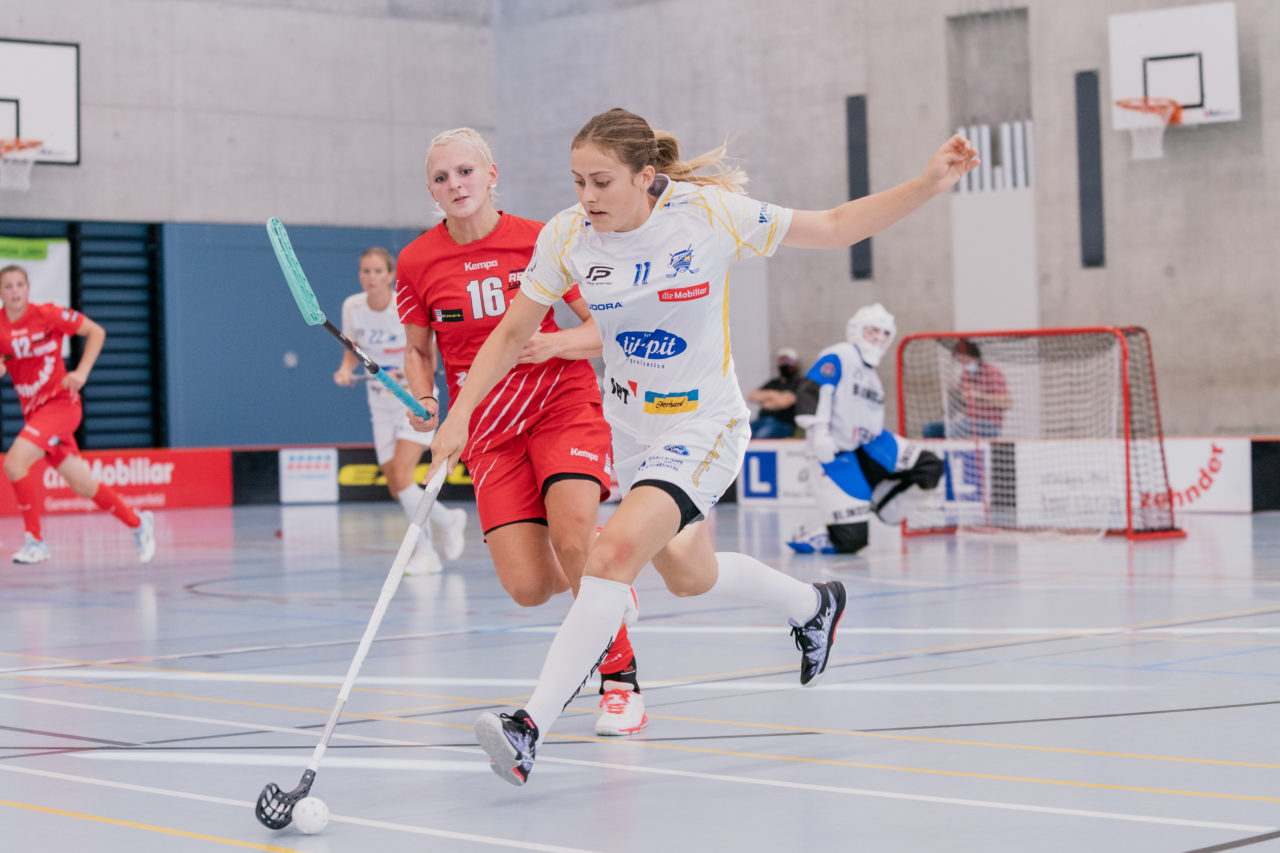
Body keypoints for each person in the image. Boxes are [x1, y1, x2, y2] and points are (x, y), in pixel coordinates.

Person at [424, 107, 979, 786]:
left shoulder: (709, 215)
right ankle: (814, 606)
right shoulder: (569, 236)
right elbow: (511, 334)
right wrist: (459, 416)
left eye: (601, 181)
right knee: (689, 575)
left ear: (644, 176)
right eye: (578, 181)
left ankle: (529, 723)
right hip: (633, 431)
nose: (587, 196)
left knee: (612, 554)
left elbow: (833, 226)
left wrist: (926, 183)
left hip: (704, 424)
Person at [396, 127, 647, 736]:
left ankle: (620, 683)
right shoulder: (416, 261)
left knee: (571, 536)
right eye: (440, 177)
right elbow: (418, 350)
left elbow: (609, 328)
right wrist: (425, 400)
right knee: (530, 588)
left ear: (491, 175)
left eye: (464, 172)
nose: (454, 185)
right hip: (487, 430)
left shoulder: (546, 239)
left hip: (562, 405)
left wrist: (555, 344)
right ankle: (605, 573)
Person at [0, 264, 156, 564]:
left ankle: (35, 541)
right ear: (1, 292)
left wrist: (82, 372)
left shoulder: (47, 315)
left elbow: (96, 331)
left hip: (61, 406)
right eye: (8, 286)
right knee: (82, 484)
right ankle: (138, 522)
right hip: (34, 414)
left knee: (16, 461)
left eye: (20, 284)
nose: (15, 291)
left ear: (28, 289)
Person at [333, 247, 467, 575]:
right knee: (396, 485)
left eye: (378, 271)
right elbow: (353, 348)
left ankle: (425, 553)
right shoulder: (353, 306)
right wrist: (345, 369)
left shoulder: (402, 306)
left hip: (412, 399)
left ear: (390, 275)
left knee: (404, 476)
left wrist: (405, 377)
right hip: (378, 403)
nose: (371, 277)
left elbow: (426, 353)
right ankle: (448, 519)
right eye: (365, 271)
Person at [787, 304, 945, 555]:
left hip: (871, 443)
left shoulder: (873, 377)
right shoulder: (839, 355)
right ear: (857, 330)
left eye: (885, 334)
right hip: (837, 454)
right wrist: (819, 433)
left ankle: (883, 502)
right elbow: (815, 389)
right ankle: (815, 533)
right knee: (853, 541)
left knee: (931, 466)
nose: (879, 339)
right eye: (873, 331)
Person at [922, 338, 1011, 439]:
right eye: (960, 362)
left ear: (974, 357)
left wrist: (979, 396)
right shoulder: (965, 376)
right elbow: (963, 405)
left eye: (966, 362)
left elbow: (1006, 404)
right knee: (930, 429)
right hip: (966, 423)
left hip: (989, 425)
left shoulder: (992, 373)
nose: (964, 366)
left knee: (955, 429)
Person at [747, 347, 804, 438]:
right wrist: (775, 395)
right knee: (741, 433)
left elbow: (783, 403)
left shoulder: (799, 383)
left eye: (788, 361)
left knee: (760, 436)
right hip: (761, 421)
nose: (784, 364)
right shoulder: (773, 383)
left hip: (783, 424)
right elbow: (752, 396)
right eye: (782, 361)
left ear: (795, 364)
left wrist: (765, 400)